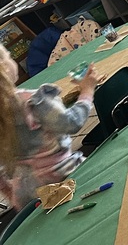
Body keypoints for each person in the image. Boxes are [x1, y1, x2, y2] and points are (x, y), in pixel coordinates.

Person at [0, 43, 99, 209]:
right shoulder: (32, 101)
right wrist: (87, 91)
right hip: (66, 177)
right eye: (8, 56)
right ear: (4, 68)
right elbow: (72, 123)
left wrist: (10, 192)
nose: (11, 59)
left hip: (28, 195)